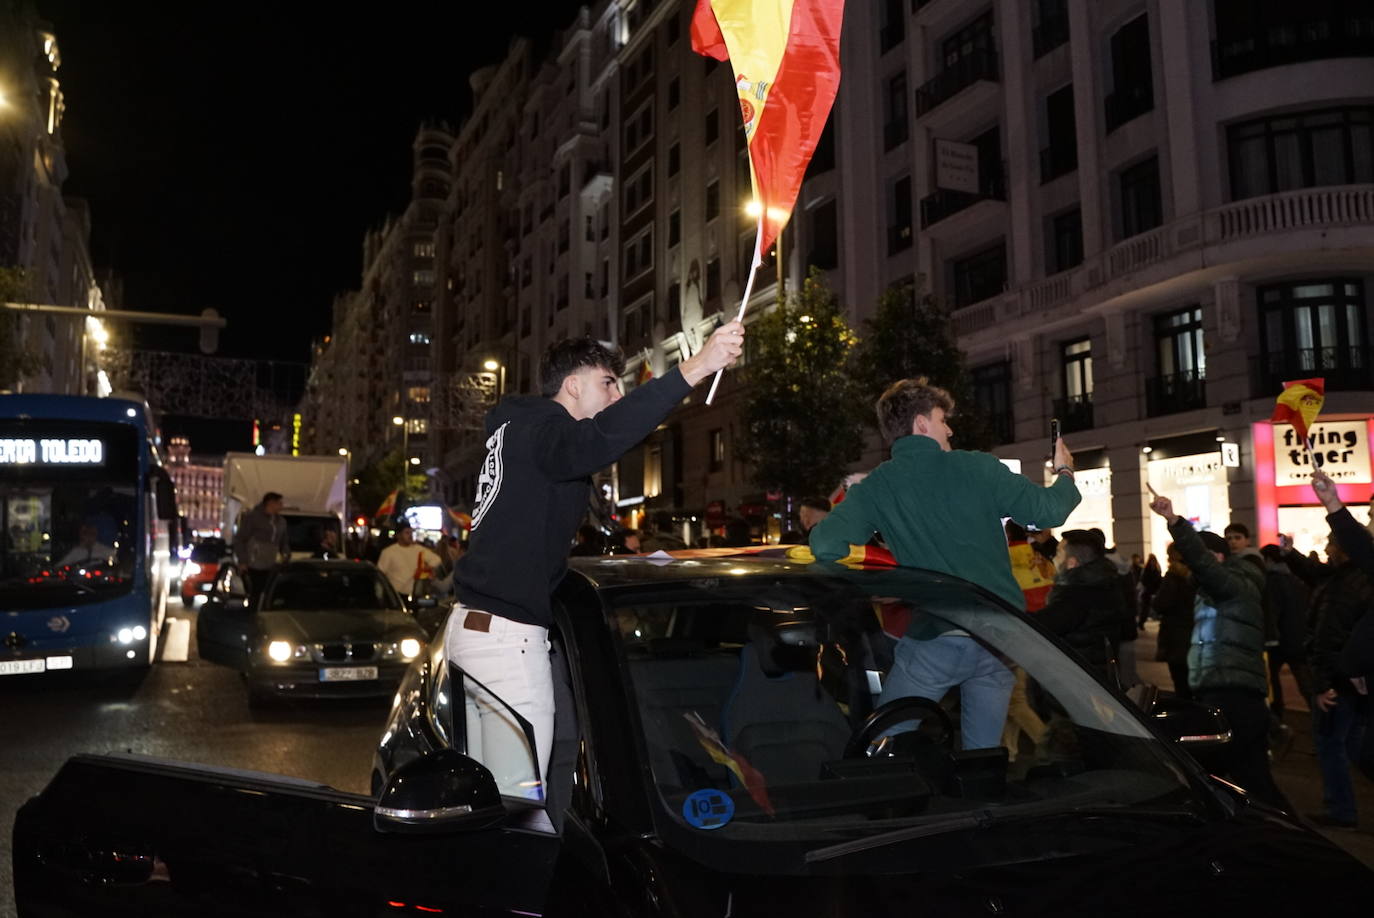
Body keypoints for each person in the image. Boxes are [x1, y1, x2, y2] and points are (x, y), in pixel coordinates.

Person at [442, 322, 743, 805]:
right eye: (609, 382)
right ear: (573, 385)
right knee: (518, 811)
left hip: (482, 633)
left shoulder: (521, 432)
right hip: (504, 641)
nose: (617, 394)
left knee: (527, 781)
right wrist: (698, 366)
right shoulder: (544, 429)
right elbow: (598, 440)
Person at [810, 376, 1081, 749]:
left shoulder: (878, 485)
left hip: (937, 637)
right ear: (921, 424)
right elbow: (1051, 510)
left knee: (883, 743)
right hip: (999, 640)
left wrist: (892, 587)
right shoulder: (978, 467)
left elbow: (825, 545)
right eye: (943, 420)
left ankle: (884, 802)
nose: (950, 429)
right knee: (984, 755)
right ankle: (982, 799)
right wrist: (1064, 471)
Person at [1148, 493, 1287, 809]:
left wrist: (1174, 522)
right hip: (1232, 693)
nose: (1194, 567)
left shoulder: (1231, 585)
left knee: (1198, 773)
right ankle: (1284, 839)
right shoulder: (1220, 590)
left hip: (1231, 695)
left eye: (1203, 559)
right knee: (1254, 782)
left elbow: (1202, 563)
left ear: (1218, 559)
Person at [1035, 529, 1130, 680]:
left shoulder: (1077, 595)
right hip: (1095, 677)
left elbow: (1041, 625)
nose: (1054, 558)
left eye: (1058, 554)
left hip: (1076, 684)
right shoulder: (1103, 583)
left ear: (1071, 563)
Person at [1152, 543, 1196, 699]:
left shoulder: (1173, 576)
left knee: (1181, 685)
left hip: (1176, 635)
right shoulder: (1197, 574)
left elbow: (1160, 604)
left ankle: (1187, 720)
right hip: (1196, 633)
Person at [233, 491, 288, 609]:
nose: (282, 506)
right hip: (254, 564)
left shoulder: (281, 522)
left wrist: (286, 554)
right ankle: (251, 617)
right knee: (255, 593)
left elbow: (284, 541)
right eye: (279, 503)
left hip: (271, 564)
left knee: (269, 593)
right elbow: (240, 539)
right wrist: (243, 561)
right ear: (270, 503)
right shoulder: (253, 518)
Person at [377, 521, 442, 598]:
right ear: (398, 535)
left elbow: (437, 559)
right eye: (407, 533)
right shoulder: (388, 552)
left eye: (411, 533)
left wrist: (426, 568)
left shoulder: (418, 549)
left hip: (415, 594)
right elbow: (380, 574)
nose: (410, 535)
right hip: (397, 595)